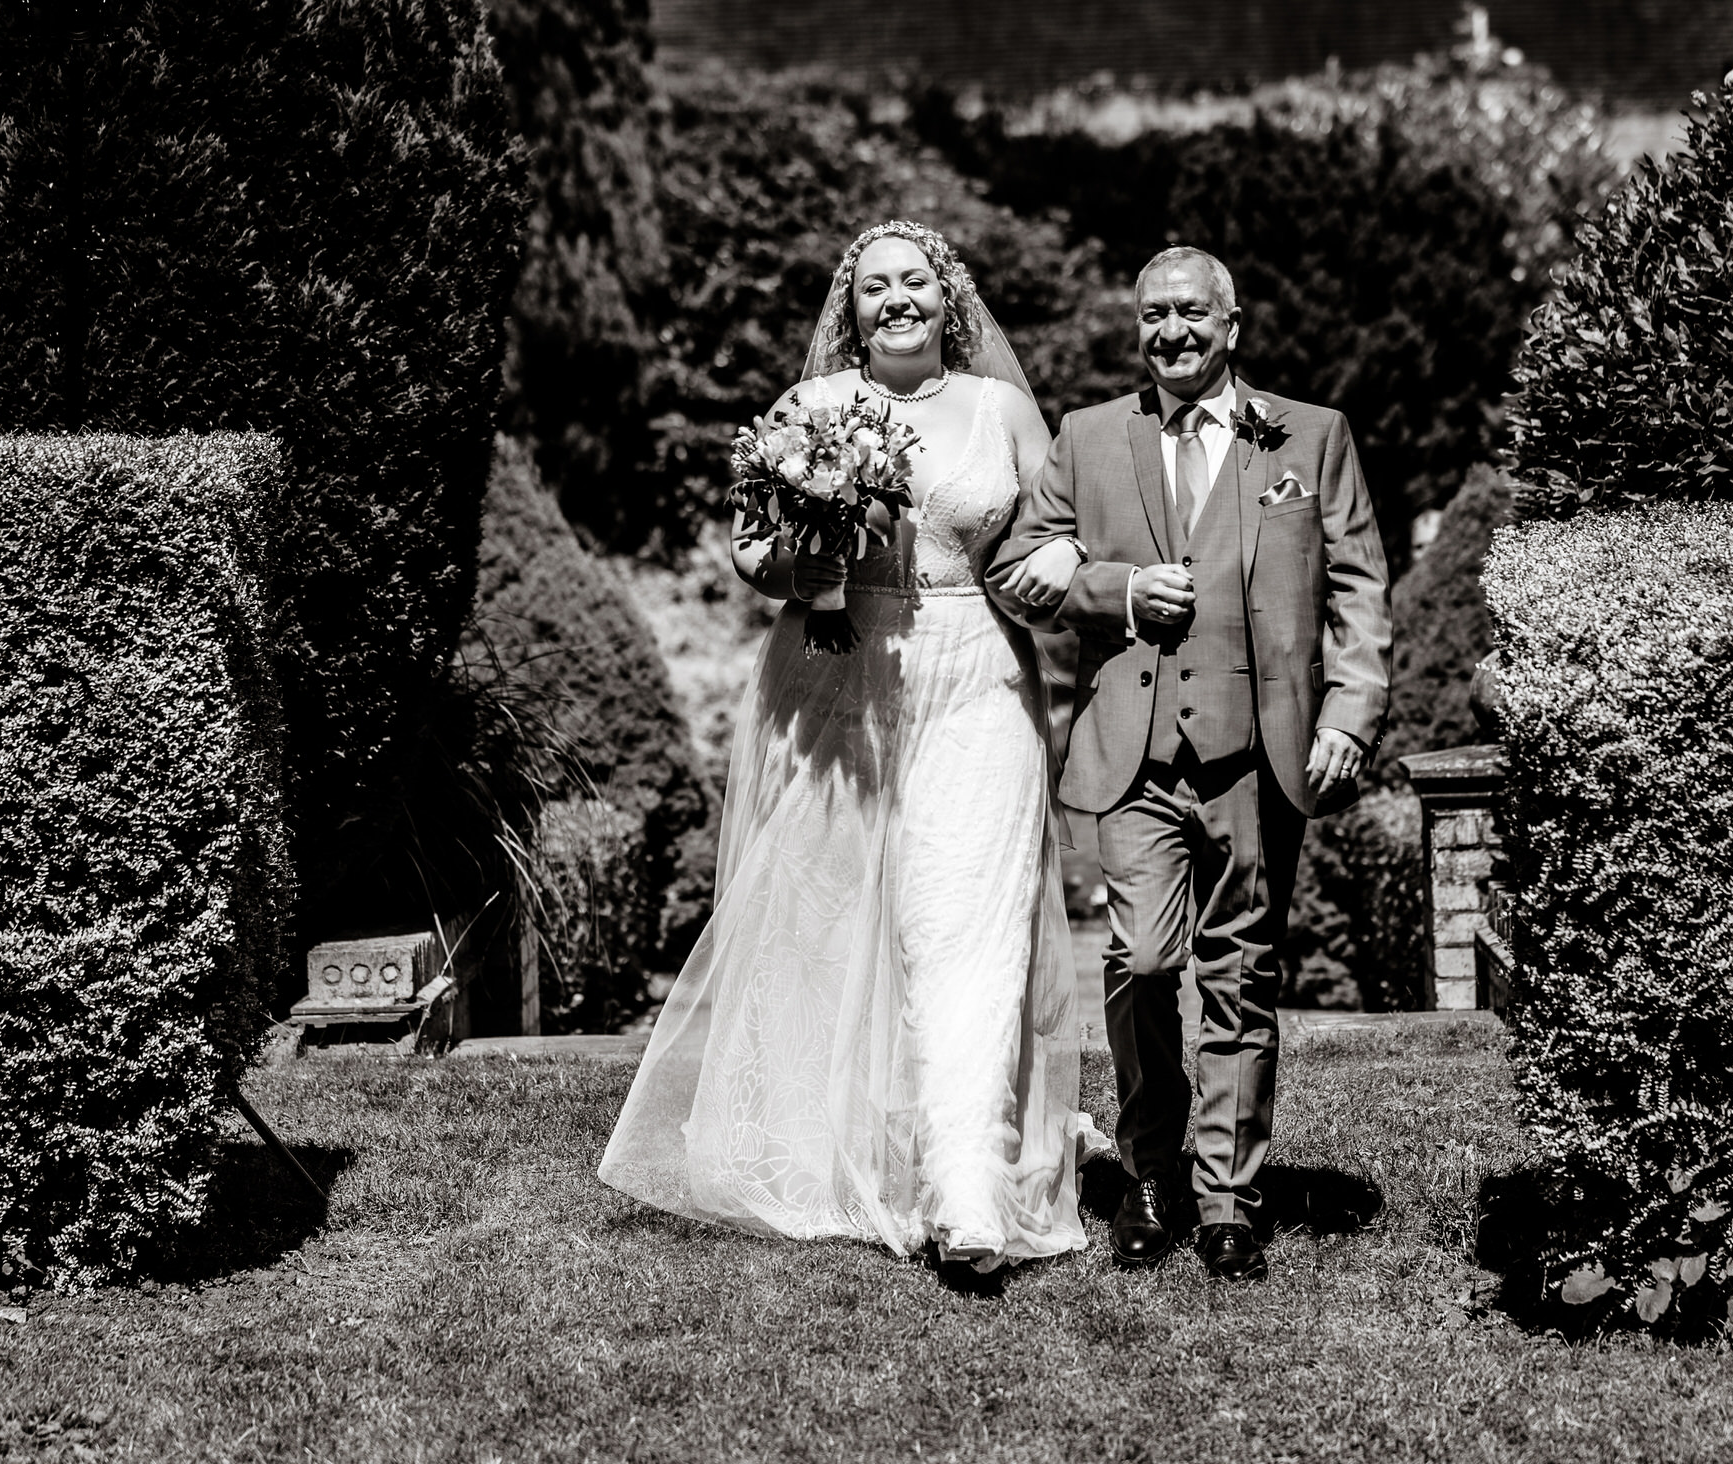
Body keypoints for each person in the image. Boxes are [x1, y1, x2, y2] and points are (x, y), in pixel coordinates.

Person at [597, 220, 1097, 1274]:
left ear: (948, 297)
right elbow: (751, 549)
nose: (897, 299)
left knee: (967, 925)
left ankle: (966, 1191)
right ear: (851, 308)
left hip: (977, 677)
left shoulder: (1004, 409)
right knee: (828, 923)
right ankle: (833, 1151)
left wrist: (1063, 563)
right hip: (835, 674)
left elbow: (1052, 531)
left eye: (915, 280)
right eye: (876, 287)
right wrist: (804, 569)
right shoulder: (809, 408)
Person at [987, 246, 1393, 1282]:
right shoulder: (1087, 438)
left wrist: (1349, 714)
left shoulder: (1311, 436)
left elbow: (1357, 587)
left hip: (1258, 752)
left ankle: (1226, 1200)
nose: (1169, 331)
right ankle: (1149, 1170)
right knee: (1142, 962)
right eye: (1151, 315)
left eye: (1189, 313)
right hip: (1133, 752)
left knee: (1240, 973)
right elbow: (1016, 569)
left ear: (1230, 324)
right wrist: (1118, 591)